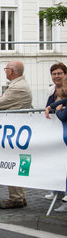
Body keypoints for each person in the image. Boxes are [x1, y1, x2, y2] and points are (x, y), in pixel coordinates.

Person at [0, 60, 32, 209]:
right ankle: (18, 196)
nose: (5, 71)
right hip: (16, 129)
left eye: (6, 69)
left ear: (12, 71)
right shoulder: (17, 85)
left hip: (16, 130)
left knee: (14, 162)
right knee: (16, 162)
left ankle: (17, 197)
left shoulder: (17, 87)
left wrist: (0, 100)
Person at [44, 63, 67, 202]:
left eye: (59, 73)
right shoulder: (52, 90)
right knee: (56, 161)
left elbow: (63, 114)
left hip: (63, 129)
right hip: (55, 131)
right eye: (54, 74)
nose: (56, 76)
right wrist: (51, 107)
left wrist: (57, 110)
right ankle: (56, 188)